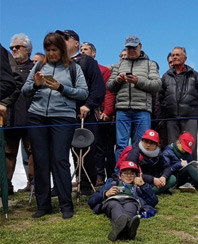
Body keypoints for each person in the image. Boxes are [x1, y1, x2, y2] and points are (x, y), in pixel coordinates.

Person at [22, 32, 88, 219]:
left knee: (60, 160)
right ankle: (43, 205)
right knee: (41, 161)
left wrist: (61, 88)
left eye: (55, 50)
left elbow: (83, 93)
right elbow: (24, 90)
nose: (51, 53)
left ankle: (66, 204)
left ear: (62, 50)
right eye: (48, 50)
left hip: (63, 118)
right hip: (37, 117)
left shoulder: (74, 68)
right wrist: (35, 84)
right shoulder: (38, 65)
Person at [58, 29, 106, 195]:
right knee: (66, 149)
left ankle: (87, 185)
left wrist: (89, 105)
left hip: (85, 112)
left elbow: (99, 86)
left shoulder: (86, 61)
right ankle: (65, 183)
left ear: (76, 43)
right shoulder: (57, 62)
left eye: (66, 38)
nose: (61, 41)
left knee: (87, 149)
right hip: (63, 113)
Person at [107, 35, 161, 163]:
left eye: (134, 47)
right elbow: (110, 86)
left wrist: (138, 81)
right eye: (129, 47)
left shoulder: (150, 64)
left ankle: (140, 175)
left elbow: (157, 85)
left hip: (142, 110)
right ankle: (120, 174)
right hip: (122, 110)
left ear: (140, 47)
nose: (131, 50)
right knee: (121, 145)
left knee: (142, 145)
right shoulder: (118, 65)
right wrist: (117, 80)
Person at [157, 46, 198, 161]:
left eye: (177, 55)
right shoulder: (166, 76)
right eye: (173, 55)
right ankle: (176, 174)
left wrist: (195, 112)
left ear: (185, 58)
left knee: (191, 147)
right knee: (173, 147)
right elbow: (161, 96)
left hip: (190, 118)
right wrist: (168, 110)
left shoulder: (194, 75)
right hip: (172, 118)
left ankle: (191, 173)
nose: (174, 57)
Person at [88, 161, 158, 241]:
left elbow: (154, 201)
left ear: (136, 176)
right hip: (112, 201)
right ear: (120, 176)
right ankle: (128, 231)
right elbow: (91, 200)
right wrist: (105, 194)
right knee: (115, 206)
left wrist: (143, 185)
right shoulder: (111, 184)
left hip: (131, 200)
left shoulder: (138, 187)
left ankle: (120, 230)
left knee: (131, 206)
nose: (129, 176)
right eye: (125, 173)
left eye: (132, 174)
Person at [2, 33, 35, 193]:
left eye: (18, 47)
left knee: (32, 151)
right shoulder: (6, 69)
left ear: (28, 49)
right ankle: (5, 185)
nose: (14, 50)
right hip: (11, 117)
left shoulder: (36, 68)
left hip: (30, 116)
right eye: (12, 48)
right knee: (8, 152)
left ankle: (33, 184)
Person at [80, 41, 116, 185]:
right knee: (81, 144)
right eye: (81, 49)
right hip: (81, 111)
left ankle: (100, 176)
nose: (83, 51)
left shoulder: (103, 70)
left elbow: (108, 92)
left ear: (94, 53)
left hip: (98, 111)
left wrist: (107, 110)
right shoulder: (75, 68)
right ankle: (82, 177)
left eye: (86, 49)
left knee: (99, 145)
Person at [122, 129, 176, 194]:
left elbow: (167, 167)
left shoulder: (158, 154)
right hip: (139, 181)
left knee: (172, 178)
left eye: (151, 143)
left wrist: (164, 177)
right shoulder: (135, 153)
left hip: (154, 180)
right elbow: (133, 174)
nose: (148, 145)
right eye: (146, 141)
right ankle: (150, 192)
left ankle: (152, 190)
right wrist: (152, 179)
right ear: (142, 141)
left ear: (156, 145)